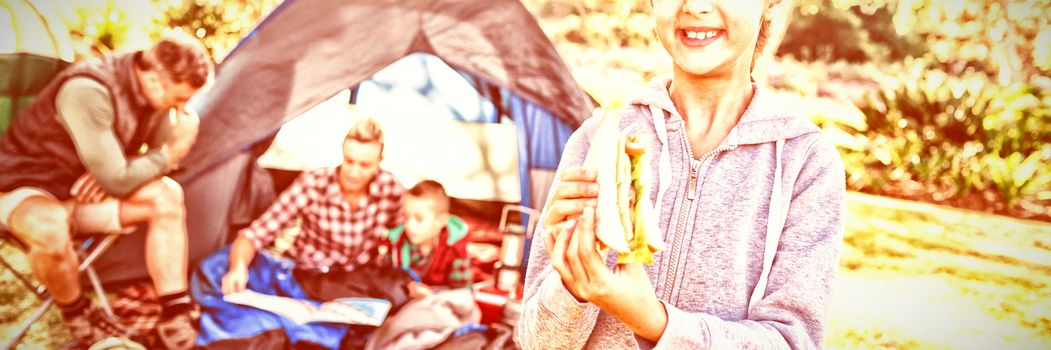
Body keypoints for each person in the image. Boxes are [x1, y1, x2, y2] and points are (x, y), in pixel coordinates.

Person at [515, 0, 846, 349]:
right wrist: (570, 283)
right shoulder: (596, 140)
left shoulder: (805, 162)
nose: (697, 6)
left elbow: (793, 342)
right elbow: (536, 342)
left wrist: (654, 322)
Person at [0, 31, 212, 349]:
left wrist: (122, 166)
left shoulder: (153, 95)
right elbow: (129, 173)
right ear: (154, 80)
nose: (183, 110)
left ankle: (174, 312)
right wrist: (172, 150)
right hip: (24, 189)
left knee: (166, 195)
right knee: (50, 225)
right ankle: (80, 317)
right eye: (180, 100)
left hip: (80, 197)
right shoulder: (88, 89)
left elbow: (130, 170)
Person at [379, 180, 472, 297]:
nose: (409, 225)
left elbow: (464, 294)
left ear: (441, 221)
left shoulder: (455, 248)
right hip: (404, 301)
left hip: (440, 301)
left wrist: (430, 295)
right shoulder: (396, 242)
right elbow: (383, 280)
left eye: (419, 219)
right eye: (406, 217)